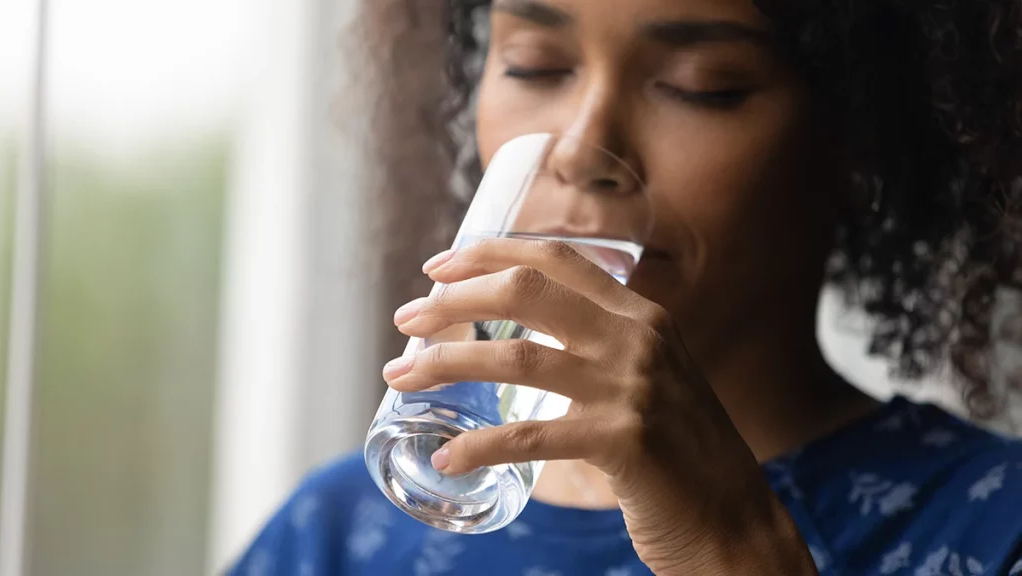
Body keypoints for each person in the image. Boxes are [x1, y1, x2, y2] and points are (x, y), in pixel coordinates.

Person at [230, 0, 1022, 574]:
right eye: (535, 66)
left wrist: (732, 549)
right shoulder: (337, 533)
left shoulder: (994, 524)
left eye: (702, 85)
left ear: (859, 142)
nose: (583, 146)